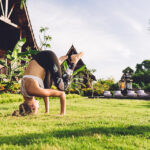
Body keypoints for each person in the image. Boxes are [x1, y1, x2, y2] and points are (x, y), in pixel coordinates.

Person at [12, 50, 84, 116]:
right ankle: (57, 62)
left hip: (47, 57)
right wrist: (47, 111)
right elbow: (45, 91)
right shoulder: (25, 94)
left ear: (32, 107)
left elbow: (62, 94)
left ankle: (74, 60)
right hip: (41, 59)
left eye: (37, 108)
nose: (39, 107)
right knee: (46, 86)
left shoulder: (33, 91)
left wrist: (62, 113)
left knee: (62, 87)